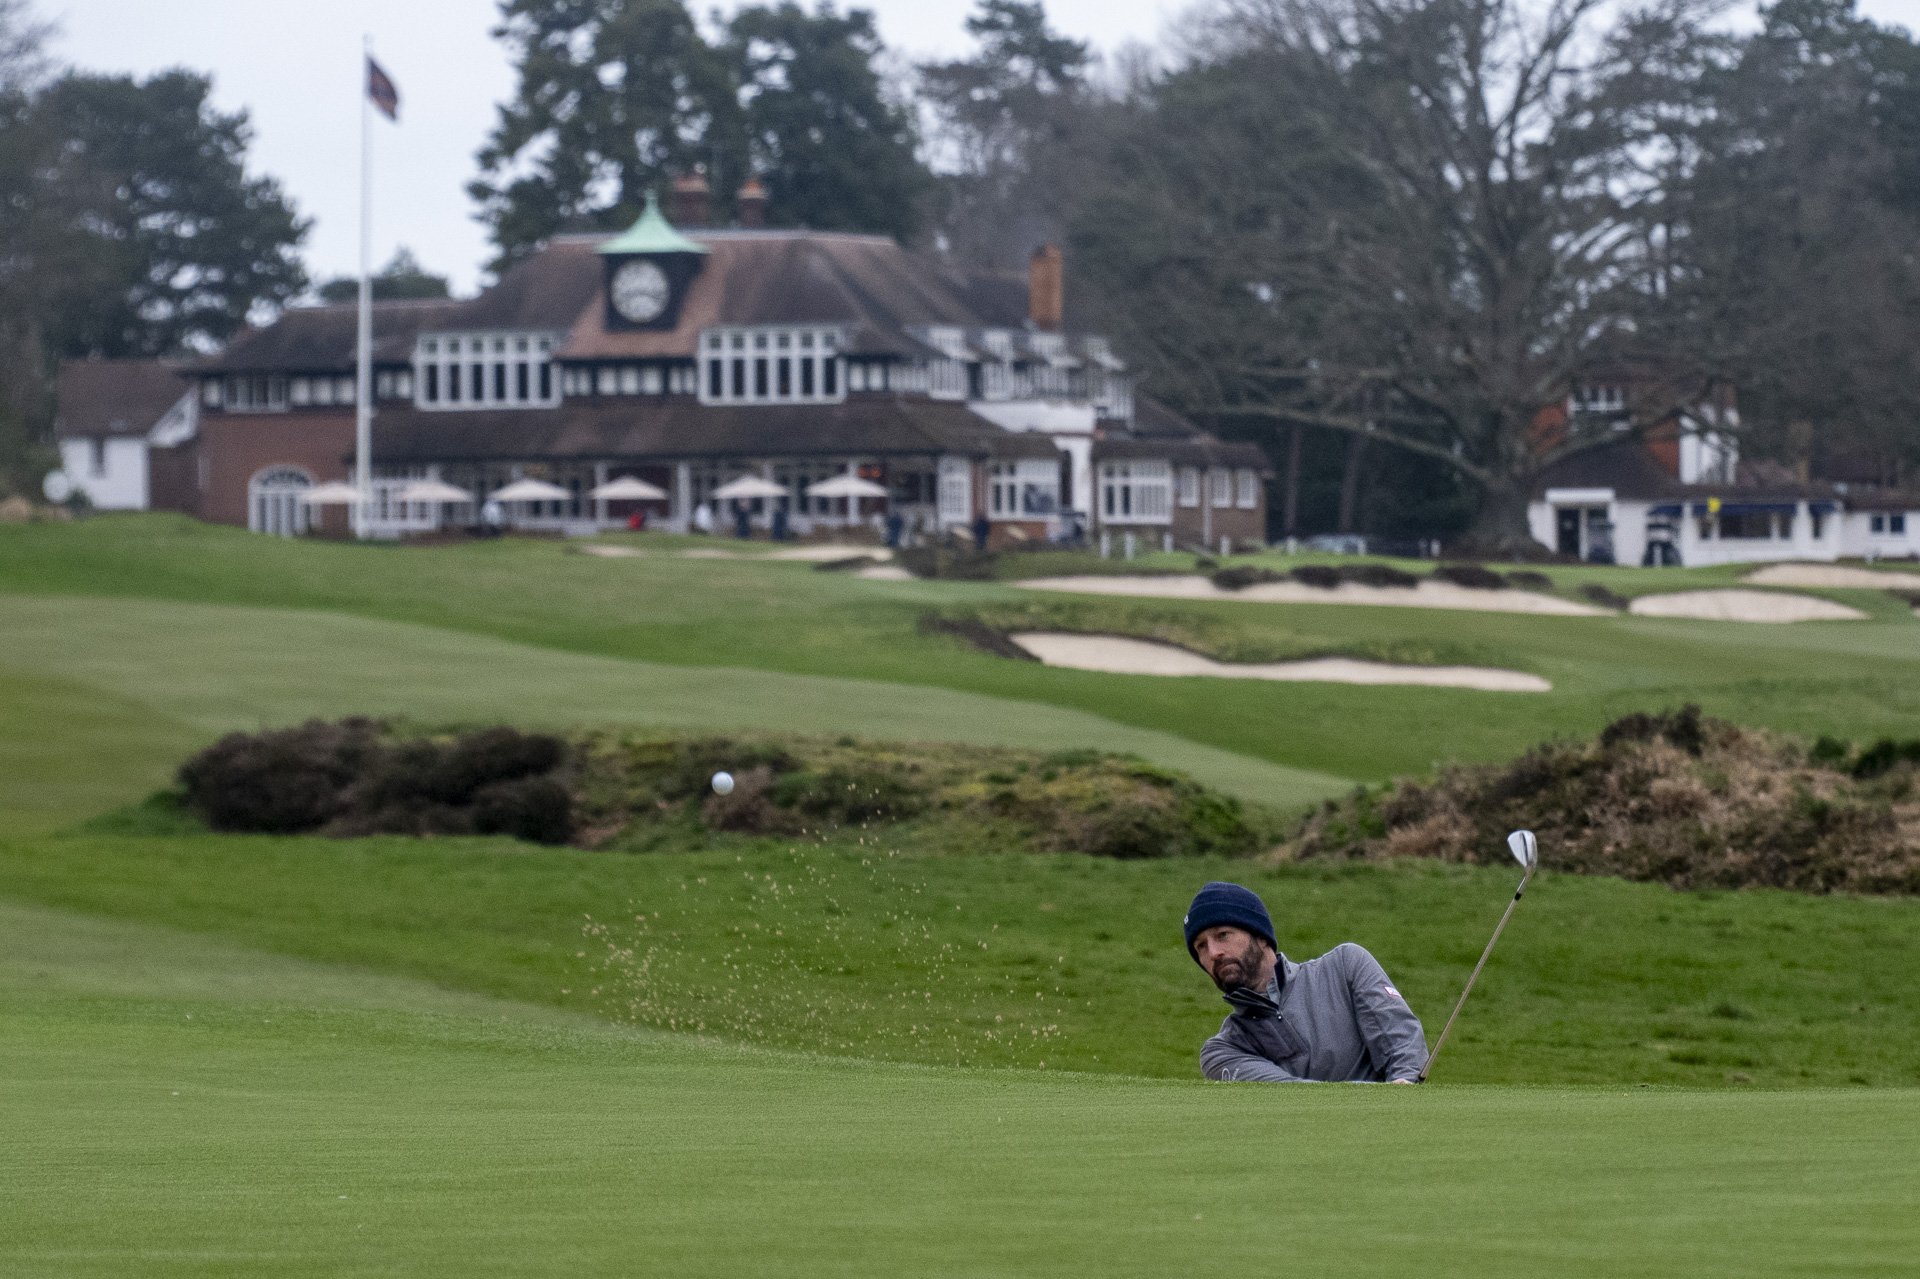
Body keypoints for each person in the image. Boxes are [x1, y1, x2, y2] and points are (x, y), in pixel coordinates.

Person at [1183, 881, 1426, 1083]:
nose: (1213, 952)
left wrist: (1403, 1092)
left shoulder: (1345, 966)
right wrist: (1385, 1096)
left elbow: (1402, 1044)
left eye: (1222, 935)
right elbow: (1294, 1096)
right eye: (1201, 946)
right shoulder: (1222, 1052)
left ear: (1260, 936)